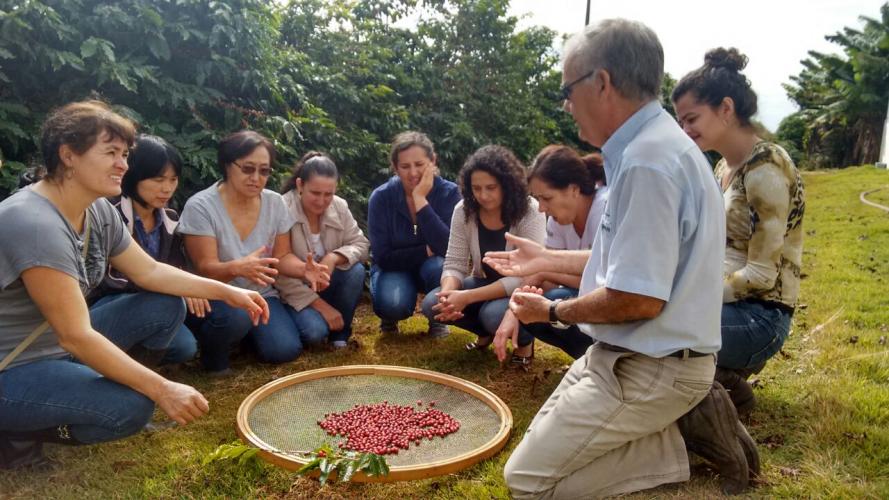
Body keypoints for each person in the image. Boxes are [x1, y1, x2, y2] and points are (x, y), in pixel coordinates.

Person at [486, 19, 759, 498]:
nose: (567, 105)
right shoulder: (650, 149)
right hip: (624, 355)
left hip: (652, 367)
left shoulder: (648, 163)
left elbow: (637, 299)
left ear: (602, 83)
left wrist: (552, 312)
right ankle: (684, 425)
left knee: (527, 483)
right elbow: (629, 263)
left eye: (568, 90)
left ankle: (683, 441)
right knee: (538, 454)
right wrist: (545, 259)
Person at [0, 101, 268, 470]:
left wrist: (227, 290)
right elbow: (75, 336)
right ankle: (17, 431)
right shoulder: (33, 223)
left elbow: (151, 272)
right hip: (13, 366)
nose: (123, 164)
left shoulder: (97, 209)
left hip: (55, 349)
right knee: (132, 408)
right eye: (110, 152)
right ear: (68, 155)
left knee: (164, 303)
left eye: (125, 154)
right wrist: (161, 389)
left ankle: (86, 391)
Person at [672, 48, 805, 417]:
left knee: (665, 322)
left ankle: (724, 387)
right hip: (723, 307)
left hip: (761, 317)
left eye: (692, 118)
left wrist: (689, 295)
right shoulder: (721, 169)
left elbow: (762, 275)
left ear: (726, 109)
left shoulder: (767, 167)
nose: (685, 130)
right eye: (680, 121)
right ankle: (715, 379)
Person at [179, 131, 327, 375]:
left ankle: (245, 337)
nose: (256, 178)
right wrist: (237, 268)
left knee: (284, 350)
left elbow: (281, 257)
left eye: (264, 171)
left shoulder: (274, 203)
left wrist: (303, 269)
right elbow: (205, 269)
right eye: (248, 169)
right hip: (218, 295)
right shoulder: (201, 206)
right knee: (237, 317)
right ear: (228, 165)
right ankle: (214, 359)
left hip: (261, 295)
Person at [421, 145, 545, 367]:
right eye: (476, 188)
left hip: (522, 287)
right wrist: (449, 293)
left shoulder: (530, 210)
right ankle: (485, 334)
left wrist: (467, 297)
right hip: (484, 279)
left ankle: (525, 343)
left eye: (491, 187)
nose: (483, 195)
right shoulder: (463, 210)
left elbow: (529, 273)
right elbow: (455, 261)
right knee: (434, 303)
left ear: (507, 185)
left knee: (492, 314)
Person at [90, 134, 201, 366]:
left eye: (173, 179)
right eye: (159, 179)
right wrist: (170, 285)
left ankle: (126, 363)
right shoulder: (110, 214)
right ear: (133, 176)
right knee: (170, 310)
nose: (167, 188)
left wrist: (186, 285)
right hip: (106, 303)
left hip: (151, 301)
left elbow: (172, 265)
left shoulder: (170, 218)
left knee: (185, 347)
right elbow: (106, 280)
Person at [494, 145, 608, 361]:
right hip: (587, 295)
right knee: (532, 306)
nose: (541, 208)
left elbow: (605, 278)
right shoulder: (559, 218)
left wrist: (547, 271)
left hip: (617, 303)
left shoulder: (605, 209)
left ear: (573, 189)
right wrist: (513, 311)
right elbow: (543, 269)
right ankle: (585, 360)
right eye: (538, 198)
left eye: (546, 198)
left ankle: (598, 361)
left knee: (554, 300)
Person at [367, 131, 461, 337]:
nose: (413, 173)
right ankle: (389, 318)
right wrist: (426, 249)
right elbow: (382, 256)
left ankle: (437, 320)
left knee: (439, 265)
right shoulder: (381, 198)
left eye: (419, 164)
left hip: (432, 267)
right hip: (392, 269)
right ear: (394, 167)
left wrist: (420, 200)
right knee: (393, 304)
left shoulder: (450, 194)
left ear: (433, 160)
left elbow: (449, 248)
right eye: (405, 166)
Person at [276, 152, 369, 349]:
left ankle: (340, 336)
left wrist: (334, 257)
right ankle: (298, 323)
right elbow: (279, 272)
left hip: (327, 286)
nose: (321, 201)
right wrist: (321, 306)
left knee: (356, 271)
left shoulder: (340, 206)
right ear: (300, 185)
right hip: (293, 293)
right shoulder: (281, 208)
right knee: (315, 332)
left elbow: (361, 245)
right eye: (315, 193)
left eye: (328, 194)